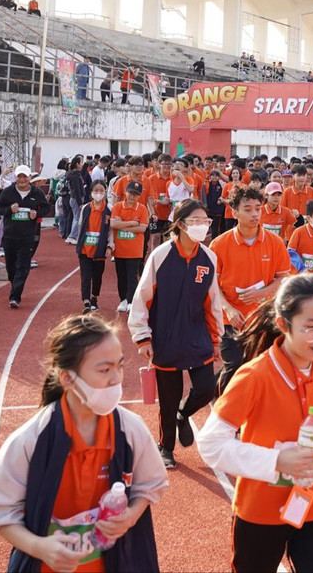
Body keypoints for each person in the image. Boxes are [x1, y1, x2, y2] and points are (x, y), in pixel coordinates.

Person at [198, 274, 313, 572]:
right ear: (283, 324)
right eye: (311, 327)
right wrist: (277, 460)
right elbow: (210, 444)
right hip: (261, 512)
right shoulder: (255, 376)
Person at [0, 314, 166, 572]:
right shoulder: (32, 440)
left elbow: (151, 484)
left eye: (120, 366)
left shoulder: (131, 430)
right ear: (67, 378)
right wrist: (39, 547)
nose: (117, 379)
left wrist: (130, 515)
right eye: (104, 370)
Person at [129, 200, 224, 469]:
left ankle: (185, 413)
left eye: (205, 221)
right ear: (180, 224)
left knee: (206, 389)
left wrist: (217, 339)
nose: (202, 226)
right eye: (195, 221)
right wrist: (143, 337)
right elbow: (142, 298)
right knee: (167, 401)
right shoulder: (160, 256)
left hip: (198, 336)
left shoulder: (209, 258)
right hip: (165, 338)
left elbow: (212, 302)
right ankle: (165, 447)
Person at [211, 186, 293, 393]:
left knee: (259, 365)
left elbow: (283, 278)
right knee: (234, 365)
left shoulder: (274, 243)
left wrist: (263, 293)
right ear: (234, 212)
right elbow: (212, 284)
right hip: (231, 318)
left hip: (262, 317)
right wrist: (228, 308)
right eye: (247, 209)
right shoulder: (219, 244)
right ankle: (223, 411)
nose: (255, 213)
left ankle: (216, 393)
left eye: (258, 208)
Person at [0, 165, 49, 309]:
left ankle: (15, 296)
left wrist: (36, 214)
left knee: (23, 266)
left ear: (29, 178)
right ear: (15, 178)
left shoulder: (37, 192)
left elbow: (46, 207)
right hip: (10, 236)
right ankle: (14, 283)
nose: (22, 179)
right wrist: (9, 210)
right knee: (11, 266)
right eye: (19, 176)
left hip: (27, 236)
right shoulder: (7, 193)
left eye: (25, 176)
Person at [73, 180, 113, 313]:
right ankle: (86, 302)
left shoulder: (109, 210)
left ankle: (94, 297)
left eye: (101, 191)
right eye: (96, 191)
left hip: (100, 249)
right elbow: (80, 226)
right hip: (85, 248)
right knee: (85, 276)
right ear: (91, 193)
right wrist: (79, 244)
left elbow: (111, 230)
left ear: (105, 192)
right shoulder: (85, 208)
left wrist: (109, 246)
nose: (98, 193)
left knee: (97, 276)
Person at [111, 182, 149, 313]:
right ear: (126, 192)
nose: (132, 196)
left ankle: (132, 301)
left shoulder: (142, 209)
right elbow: (113, 225)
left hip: (135, 250)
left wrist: (122, 223)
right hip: (120, 249)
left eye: (136, 194)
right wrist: (133, 223)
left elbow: (142, 228)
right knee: (121, 276)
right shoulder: (117, 206)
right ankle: (123, 300)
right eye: (131, 193)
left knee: (132, 276)